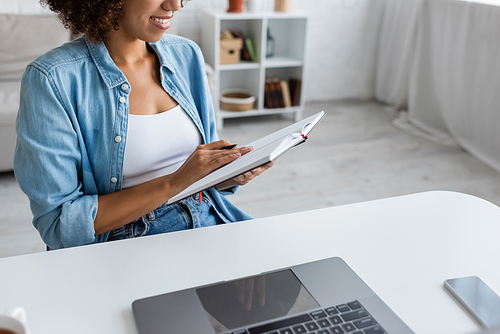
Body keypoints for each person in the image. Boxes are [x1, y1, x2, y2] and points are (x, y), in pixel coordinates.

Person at [14, 0, 273, 250]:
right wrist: (175, 182)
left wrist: (226, 173)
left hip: (208, 217)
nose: (174, 5)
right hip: (123, 242)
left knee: (283, 284)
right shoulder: (52, 78)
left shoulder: (186, 54)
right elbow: (60, 225)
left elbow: (201, 171)